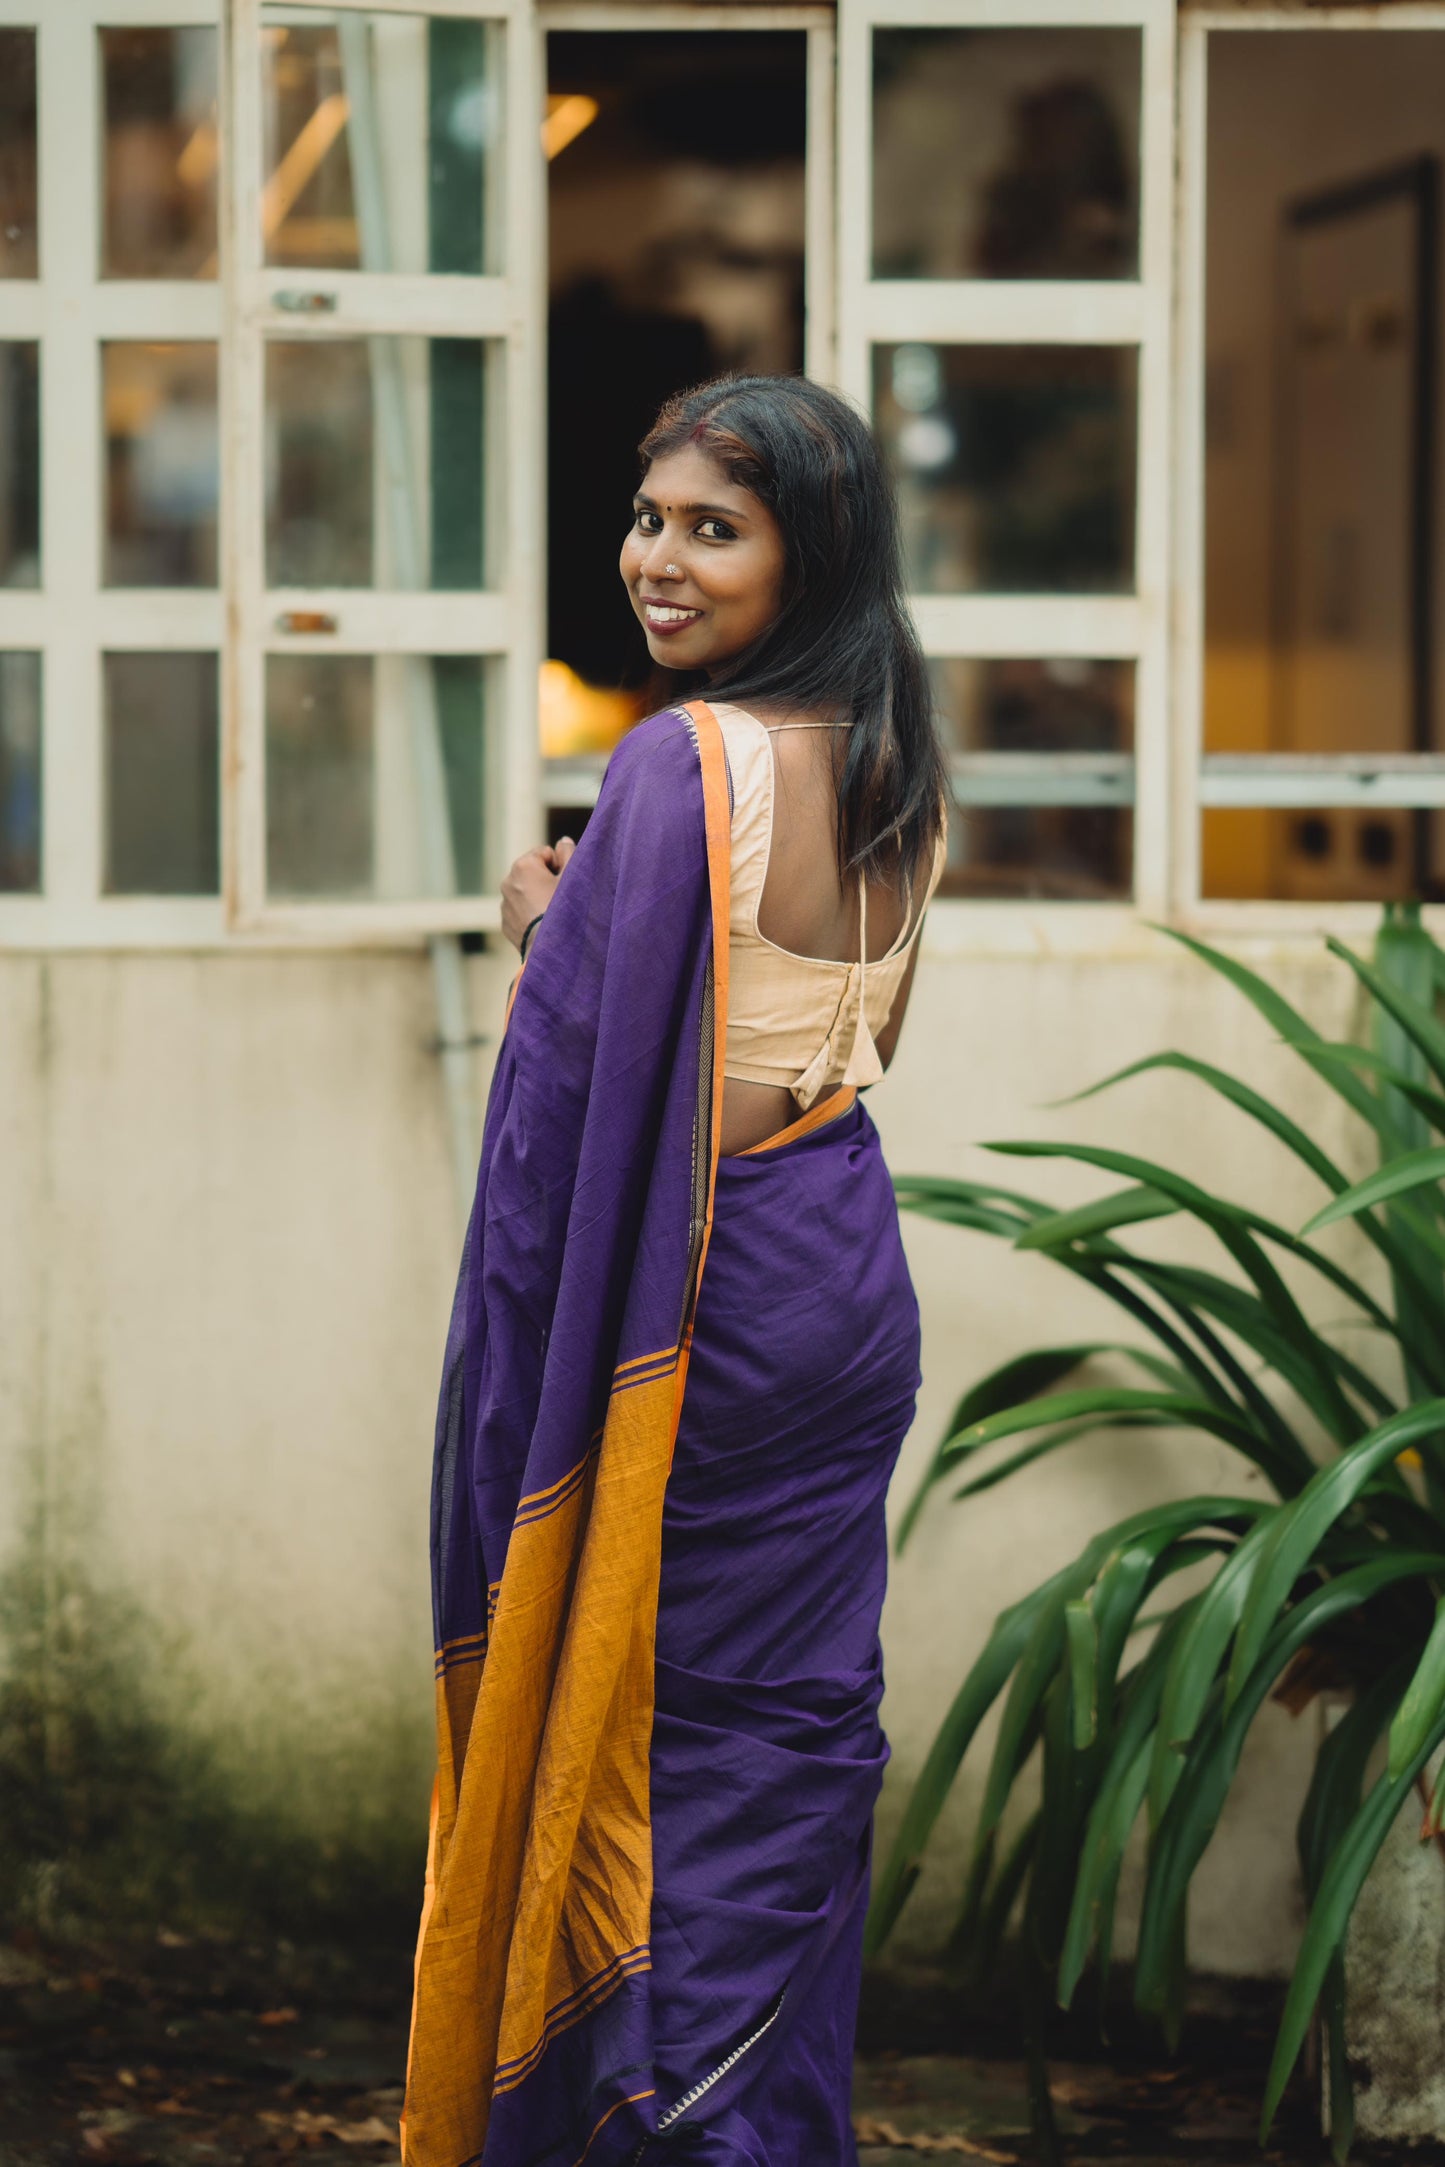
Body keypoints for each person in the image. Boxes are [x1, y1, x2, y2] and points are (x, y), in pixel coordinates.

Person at [403, 375, 949, 2167]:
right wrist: (604, 943)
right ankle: (759, 2109)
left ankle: (665, 2111)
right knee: (783, 1729)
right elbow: (845, 1037)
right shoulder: (896, 766)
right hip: (837, 1273)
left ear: (812, 550)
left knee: (657, 1735)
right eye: (650, 518)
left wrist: (550, 934)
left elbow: (627, 1078)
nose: (658, 559)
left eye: (714, 527)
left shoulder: (686, 764)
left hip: (702, 1319)